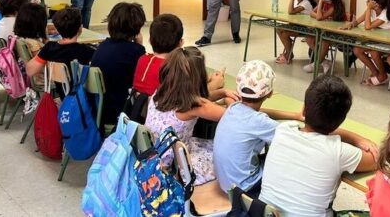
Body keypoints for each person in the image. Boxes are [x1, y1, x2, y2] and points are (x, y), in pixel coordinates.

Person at [258, 75, 378, 217]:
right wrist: (356, 138)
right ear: (341, 120)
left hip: (264, 214)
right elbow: (376, 158)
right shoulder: (338, 152)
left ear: (303, 110)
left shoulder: (282, 130)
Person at [213, 61, 304, 216]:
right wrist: (298, 120)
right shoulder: (259, 122)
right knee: (290, 162)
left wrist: (294, 115)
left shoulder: (234, 107)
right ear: (269, 93)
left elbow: (259, 116)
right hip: (246, 188)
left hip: (225, 182)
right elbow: (295, 139)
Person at [145, 47, 228, 186]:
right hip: (176, 168)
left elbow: (198, 97)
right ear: (200, 77)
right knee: (226, 157)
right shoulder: (194, 106)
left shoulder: (161, 93)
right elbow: (234, 117)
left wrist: (223, 92)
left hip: (155, 157)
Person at [90, 2, 146, 129]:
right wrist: (140, 45)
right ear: (136, 29)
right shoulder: (135, 51)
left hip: (98, 108)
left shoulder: (103, 45)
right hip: (120, 111)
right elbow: (142, 81)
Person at [24, 8, 96, 98]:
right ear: (80, 28)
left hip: (63, 97)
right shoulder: (88, 51)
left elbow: (30, 71)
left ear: (57, 30)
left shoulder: (49, 48)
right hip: (83, 99)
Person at [342, 0, 390, 86]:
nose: (366, 2)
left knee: (374, 52)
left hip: (389, 43)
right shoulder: (371, 11)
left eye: (368, 1)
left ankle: (383, 75)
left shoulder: (385, 14)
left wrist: (369, 9)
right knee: (357, 50)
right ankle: (375, 73)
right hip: (377, 41)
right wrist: (351, 24)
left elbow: (368, 27)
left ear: (376, 4)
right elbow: (358, 21)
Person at [132, 13, 184, 96]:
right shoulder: (178, 67)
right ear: (180, 43)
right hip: (166, 106)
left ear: (150, 41)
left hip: (140, 106)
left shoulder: (142, 59)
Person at [302, 0, 346, 74]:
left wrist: (321, 2)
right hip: (325, 30)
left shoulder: (334, 6)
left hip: (337, 32)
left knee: (325, 41)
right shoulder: (324, 3)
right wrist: (321, 4)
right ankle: (324, 61)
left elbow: (318, 17)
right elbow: (312, 13)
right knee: (309, 38)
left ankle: (316, 64)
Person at [275, 0, 316, 65]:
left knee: (285, 33)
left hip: (307, 28)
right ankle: (289, 52)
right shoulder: (300, 1)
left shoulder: (306, 3)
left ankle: (289, 55)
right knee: (279, 29)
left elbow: (290, 12)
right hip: (299, 26)